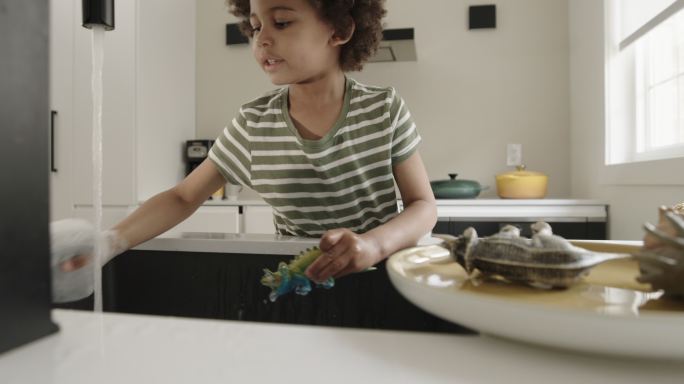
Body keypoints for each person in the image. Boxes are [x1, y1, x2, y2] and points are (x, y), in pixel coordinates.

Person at [54, 0, 436, 299]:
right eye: (255, 27)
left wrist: (372, 245)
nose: (262, 40)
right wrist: (110, 241)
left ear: (339, 29)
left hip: (386, 280)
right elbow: (183, 196)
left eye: (281, 22)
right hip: (299, 287)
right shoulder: (254, 124)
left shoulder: (383, 109)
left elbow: (423, 206)